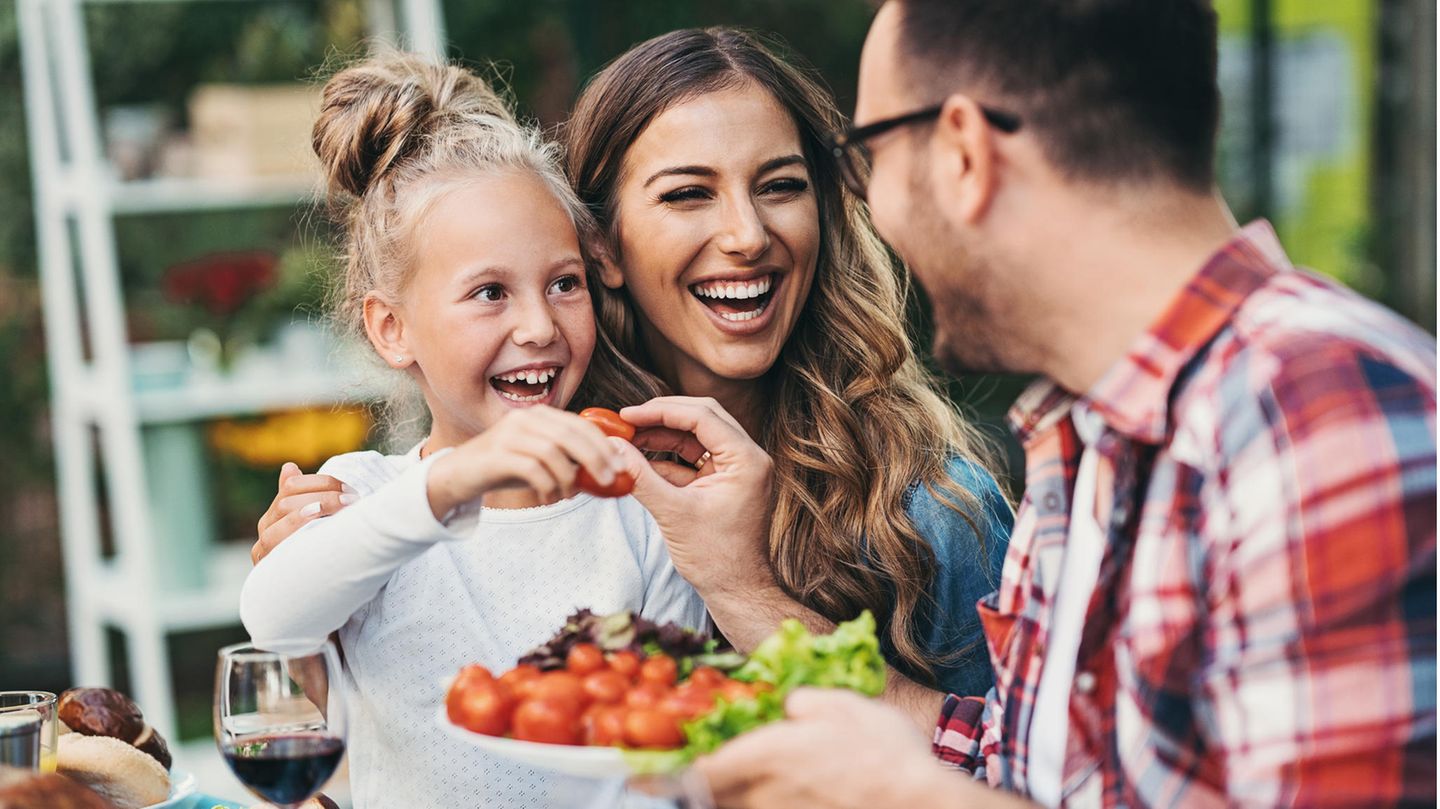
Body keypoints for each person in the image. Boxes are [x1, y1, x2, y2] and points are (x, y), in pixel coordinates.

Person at [662, 0, 1437, 806]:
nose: (873, 213)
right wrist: (748, 593)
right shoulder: (1091, 434)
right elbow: (1019, 767)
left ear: (963, 151)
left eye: (871, 158)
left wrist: (913, 800)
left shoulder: (1316, 412)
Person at [255, 28, 1015, 705]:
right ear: (604, 248)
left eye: (782, 186)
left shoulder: (932, 514)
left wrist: (742, 585)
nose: (747, 235)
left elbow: (1016, 776)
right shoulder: (571, 484)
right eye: (688, 193)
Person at [238, 53, 706, 808]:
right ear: (393, 329)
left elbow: (664, 758)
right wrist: (455, 479)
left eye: (564, 283)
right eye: (490, 292)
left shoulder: (638, 510)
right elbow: (272, 615)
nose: (538, 325)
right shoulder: (367, 497)